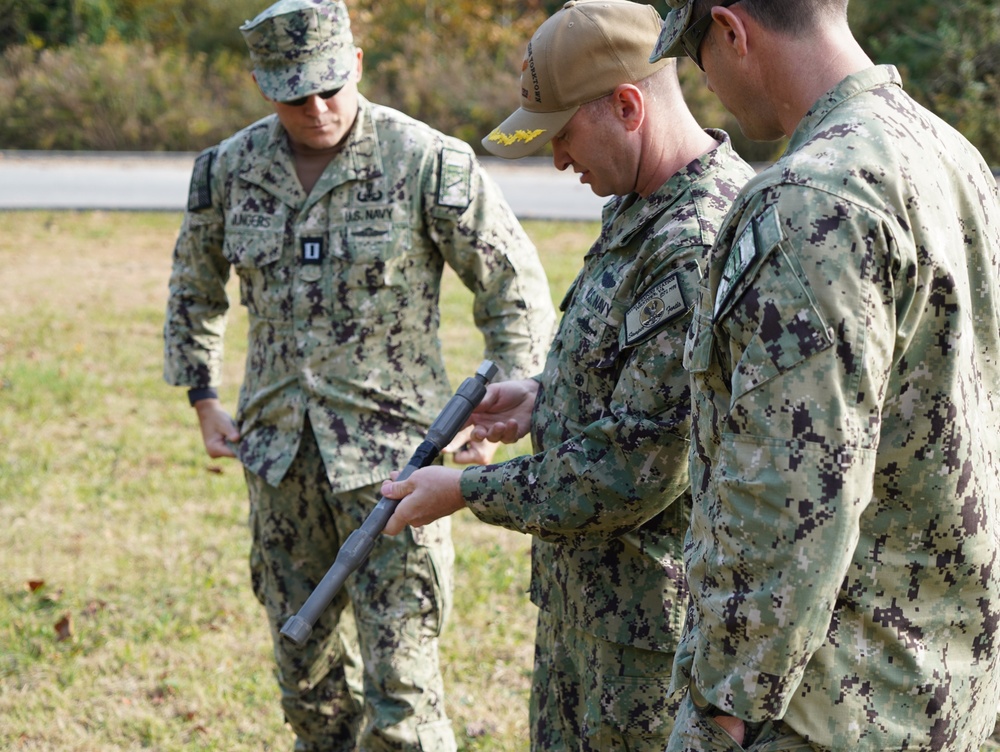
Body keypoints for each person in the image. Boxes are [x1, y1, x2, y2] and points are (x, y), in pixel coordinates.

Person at [162, 0, 557, 749]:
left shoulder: (426, 161)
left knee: (404, 699)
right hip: (279, 462)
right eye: (292, 94)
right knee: (306, 686)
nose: (315, 108)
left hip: (396, 469)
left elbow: (512, 284)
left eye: (330, 87)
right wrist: (202, 395)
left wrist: (506, 404)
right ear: (261, 84)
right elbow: (193, 284)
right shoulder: (228, 170)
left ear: (360, 65)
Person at [377, 1, 755, 749]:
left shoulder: (695, 243)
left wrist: (464, 491)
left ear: (626, 106)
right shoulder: (639, 205)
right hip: (591, 617)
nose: (557, 161)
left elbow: (634, 468)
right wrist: (545, 398)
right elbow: (646, 382)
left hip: (649, 649)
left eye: (563, 135)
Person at [648, 1, 1000, 750]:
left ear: (732, 31)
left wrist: (726, 700)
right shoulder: (951, 154)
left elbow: (794, 486)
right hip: (947, 685)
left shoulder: (811, 195)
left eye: (697, 54)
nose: (703, 81)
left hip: (826, 706)